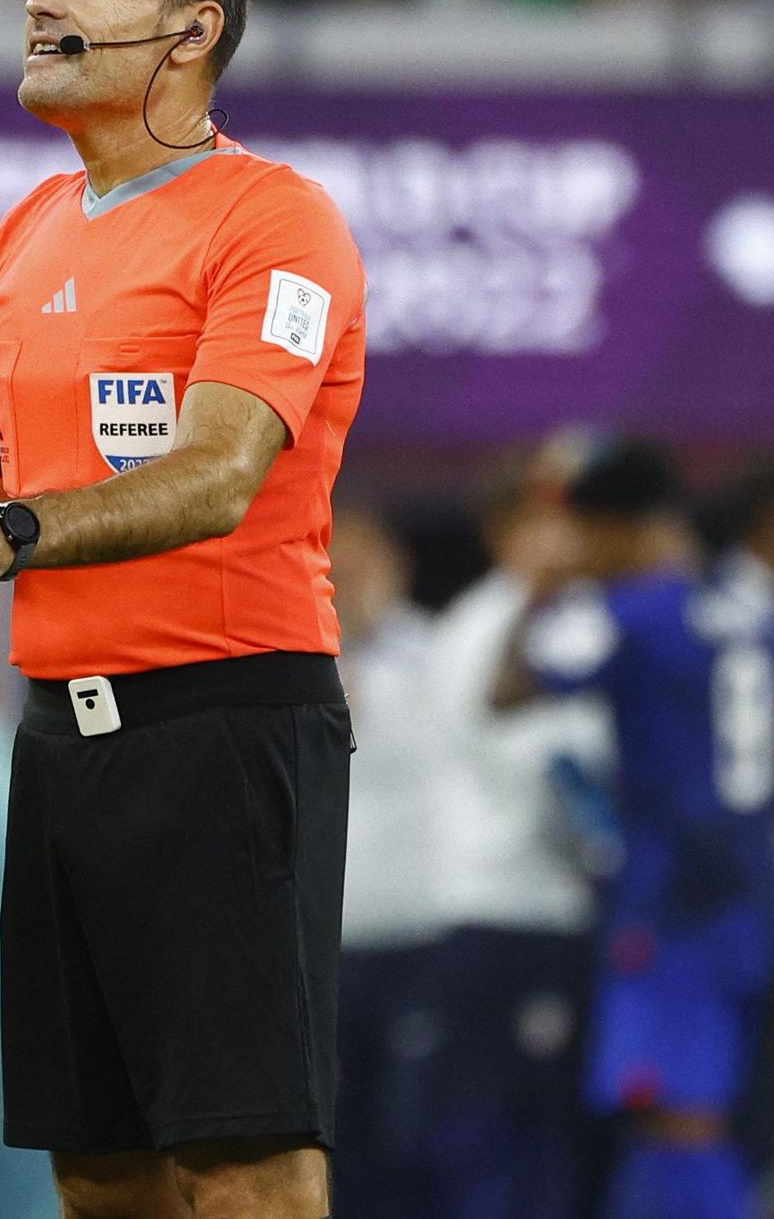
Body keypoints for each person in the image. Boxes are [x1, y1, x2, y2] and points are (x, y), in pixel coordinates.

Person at [0, 0, 365, 1217]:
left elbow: (218, 472)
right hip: (59, 740)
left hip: (222, 723)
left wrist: (14, 534)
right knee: (98, 1169)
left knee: (243, 1160)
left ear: (190, 32)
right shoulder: (27, 227)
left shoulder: (278, 222)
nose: (42, 0)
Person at [497, 440, 774, 1219]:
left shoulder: (628, 611)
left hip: (672, 896)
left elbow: (507, 688)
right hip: (749, 892)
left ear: (609, 526)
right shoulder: (755, 612)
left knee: (677, 1117)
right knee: (665, 1118)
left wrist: (542, 587)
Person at [418, 446, 612, 1219]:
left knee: (567, 1128)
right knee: (486, 1128)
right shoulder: (475, 628)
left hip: (572, 911)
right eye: (541, 523)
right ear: (503, 532)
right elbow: (536, 769)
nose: (560, 541)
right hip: (498, 911)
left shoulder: (590, 616)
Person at [328, 503, 444, 1219]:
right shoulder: (280, 663)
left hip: (419, 937)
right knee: (328, 1132)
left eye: (364, 566)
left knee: (417, 1132)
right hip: (321, 943)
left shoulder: (441, 654)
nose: (351, 580)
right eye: (336, 566)